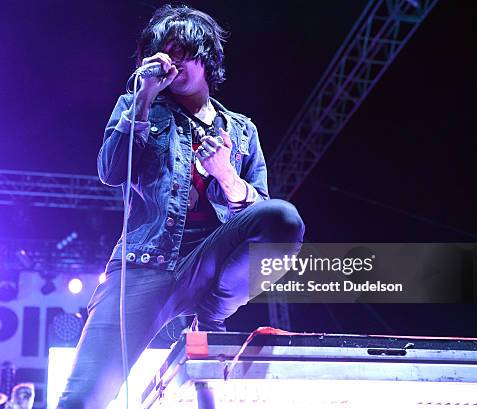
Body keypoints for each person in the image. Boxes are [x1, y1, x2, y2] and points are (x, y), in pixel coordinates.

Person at [58, 5, 305, 409]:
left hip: (210, 263)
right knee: (81, 399)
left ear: (206, 57)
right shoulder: (139, 104)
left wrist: (226, 175)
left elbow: (260, 208)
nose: (173, 61)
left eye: (183, 51)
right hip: (144, 264)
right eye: (165, 52)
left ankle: (211, 311)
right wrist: (142, 99)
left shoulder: (241, 129)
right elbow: (111, 170)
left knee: (281, 217)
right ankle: (202, 317)